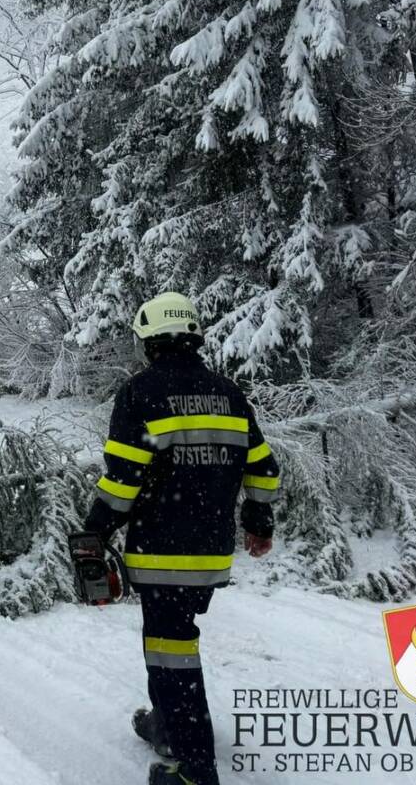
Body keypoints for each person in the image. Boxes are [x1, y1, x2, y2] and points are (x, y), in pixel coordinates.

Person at [79, 292, 281, 785]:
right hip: (211, 552)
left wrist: (94, 532)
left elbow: (123, 480)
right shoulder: (229, 394)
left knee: (172, 653)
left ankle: (194, 768)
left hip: (161, 551)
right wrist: (258, 522)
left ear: (148, 340)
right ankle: (167, 725)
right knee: (169, 641)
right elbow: (264, 468)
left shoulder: (140, 393)